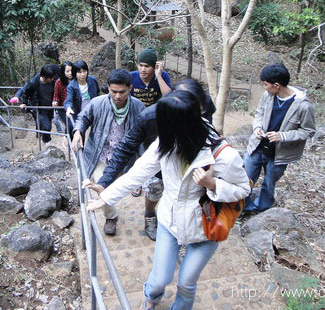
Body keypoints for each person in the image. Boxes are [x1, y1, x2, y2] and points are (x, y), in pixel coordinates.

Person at [84, 90, 250, 309]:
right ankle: (151, 297)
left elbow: (243, 189)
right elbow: (137, 173)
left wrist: (212, 184)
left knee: (186, 283)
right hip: (169, 220)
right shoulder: (167, 142)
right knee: (159, 280)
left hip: (205, 227)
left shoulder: (223, 156)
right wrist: (106, 197)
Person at [96, 79, 216, 241]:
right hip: (159, 161)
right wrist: (105, 182)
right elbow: (126, 147)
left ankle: (189, 227)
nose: (194, 117)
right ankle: (150, 214)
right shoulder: (151, 116)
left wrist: (214, 183)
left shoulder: (205, 107)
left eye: (197, 110)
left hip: (193, 160)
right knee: (154, 189)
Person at [71, 69, 145, 236]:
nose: (117, 96)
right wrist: (78, 132)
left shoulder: (138, 107)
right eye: (113, 91)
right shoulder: (98, 103)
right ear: (108, 88)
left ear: (130, 88)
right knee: (101, 188)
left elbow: (145, 133)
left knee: (120, 187)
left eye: (122, 92)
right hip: (101, 155)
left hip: (126, 158)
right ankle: (111, 216)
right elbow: (83, 118)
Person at [243, 63, 316, 213]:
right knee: (245, 178)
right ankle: (240, 207)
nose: (264, 87)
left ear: (276, 85)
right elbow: (259, 113)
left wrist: (282, 136)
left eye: (265, 84)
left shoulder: (303, 106)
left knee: (268, 184)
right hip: (257, 146)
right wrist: (257, 128)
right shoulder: (268, 96)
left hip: (279, 153)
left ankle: (259, 210)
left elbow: (308, 131)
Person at [9, 64, 57, 144]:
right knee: (46, 126)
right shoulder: (35, 81)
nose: (52, 79)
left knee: (48, 124)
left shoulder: (53, 81)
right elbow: (24, 90)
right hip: (38, 108)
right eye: (50, 78)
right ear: (44, 77)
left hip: (49, 108)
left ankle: (39, 134)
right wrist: (18, 97)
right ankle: (47, 142)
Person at [64, 60, 99, 134]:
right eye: (79, 72)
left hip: (93, 111)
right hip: (79, 113)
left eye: (84, 71)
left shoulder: (92, 81)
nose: (82, 74)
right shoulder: (72, 86)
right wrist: (68, 108)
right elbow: (68, 100)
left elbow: (97, 93)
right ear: (75, 73)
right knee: (79, 132)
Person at [52, 60, 73, 133]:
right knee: (70, 125)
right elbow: (56, 95)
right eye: (67, 71)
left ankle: (69, 138)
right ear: (63, 72)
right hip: (63, 109)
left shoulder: (76, 80)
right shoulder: (59, 82)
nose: (70, 73)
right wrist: (55, 101)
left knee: (75, 126)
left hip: (75, 107)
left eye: (71, 70)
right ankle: (67, 138)